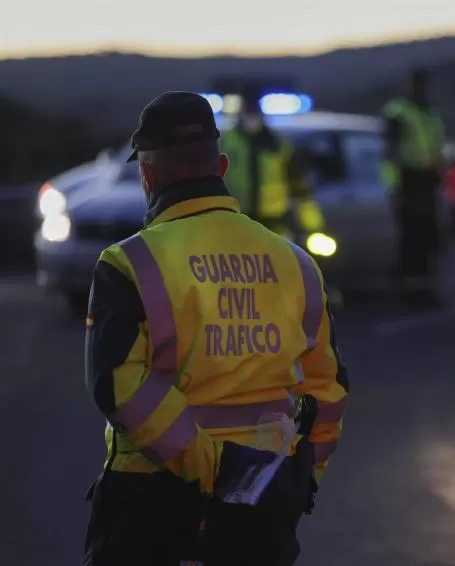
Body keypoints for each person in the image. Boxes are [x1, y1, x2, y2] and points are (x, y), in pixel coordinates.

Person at [82, 91, 349, 566]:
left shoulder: (129, 263)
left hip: (152, 502)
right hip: (265, 497)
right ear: (222, 167)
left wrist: (211, 467)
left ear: (147, 177)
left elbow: (119, 386)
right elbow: (327, 389)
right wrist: (303, 476)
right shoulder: (297, 264)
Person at [218, 87, 324, 242]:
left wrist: (312, 227)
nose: (251, 116)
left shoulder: (279, 144)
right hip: (236, 220)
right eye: (248, 110)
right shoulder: (225, 142)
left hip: (274, 222)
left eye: (254, 110)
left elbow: (299, 187)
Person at [381, 67, 446, 309]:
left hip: (428, 182)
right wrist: (395, 188)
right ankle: (410, 292)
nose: (420, 89)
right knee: (413, 239)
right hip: (409, 182)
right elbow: (388, 155)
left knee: (428, 238)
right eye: (417, 85)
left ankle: (424, 288)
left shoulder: (428, 113)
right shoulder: (398, 114)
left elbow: (435, 147)